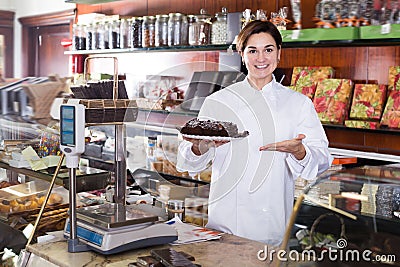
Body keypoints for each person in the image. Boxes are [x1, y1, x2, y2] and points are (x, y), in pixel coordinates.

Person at [176, 20, 333, 246]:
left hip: (272, 225)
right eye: (253, 50)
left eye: (268, 50)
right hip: (225, 224)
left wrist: (300, 152)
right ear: (242, 54)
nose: (261, 58)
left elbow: (322, 160)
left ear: (279, 52)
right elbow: (186, 161)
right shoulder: (218, 101)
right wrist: (198, 146)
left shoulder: (298, 103)